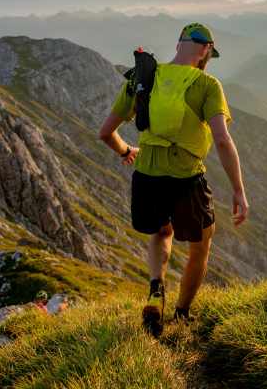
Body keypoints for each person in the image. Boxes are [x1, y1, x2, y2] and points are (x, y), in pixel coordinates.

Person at [98, 23, 249, 336]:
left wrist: (127, 150)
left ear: (179, 44)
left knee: (161, 231)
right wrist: (238, 190)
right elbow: (221, 139)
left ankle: (156, 289)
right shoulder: (207, 84)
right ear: (206, 50)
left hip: (147, 175)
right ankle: (181, 314)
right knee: (201, 245)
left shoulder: (144, 77)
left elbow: (105, 132)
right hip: (186, 177)